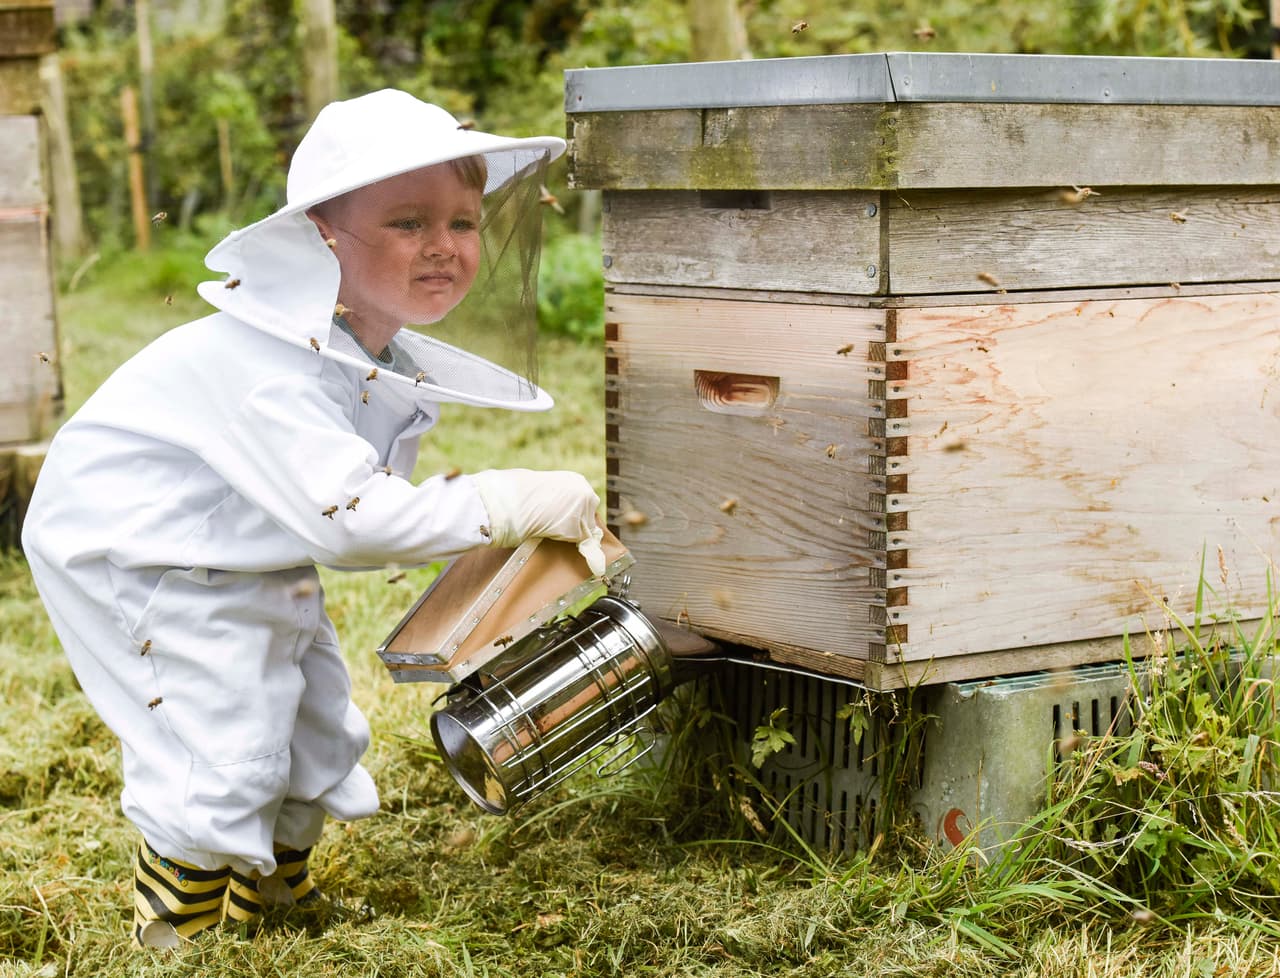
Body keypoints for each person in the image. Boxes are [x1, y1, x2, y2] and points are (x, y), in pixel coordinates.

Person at [21, 89, 605, 948]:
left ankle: (274, 903)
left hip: (240, 545)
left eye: (464, 222)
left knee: (318, 723)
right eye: (409, 222)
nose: (444, 246)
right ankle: (179, 935)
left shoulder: (359, 344)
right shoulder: (264, 363)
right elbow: (350, 520)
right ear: (320, 236)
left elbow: (342, 499)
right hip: (139, 552)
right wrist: (509, 500)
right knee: (221, 739)